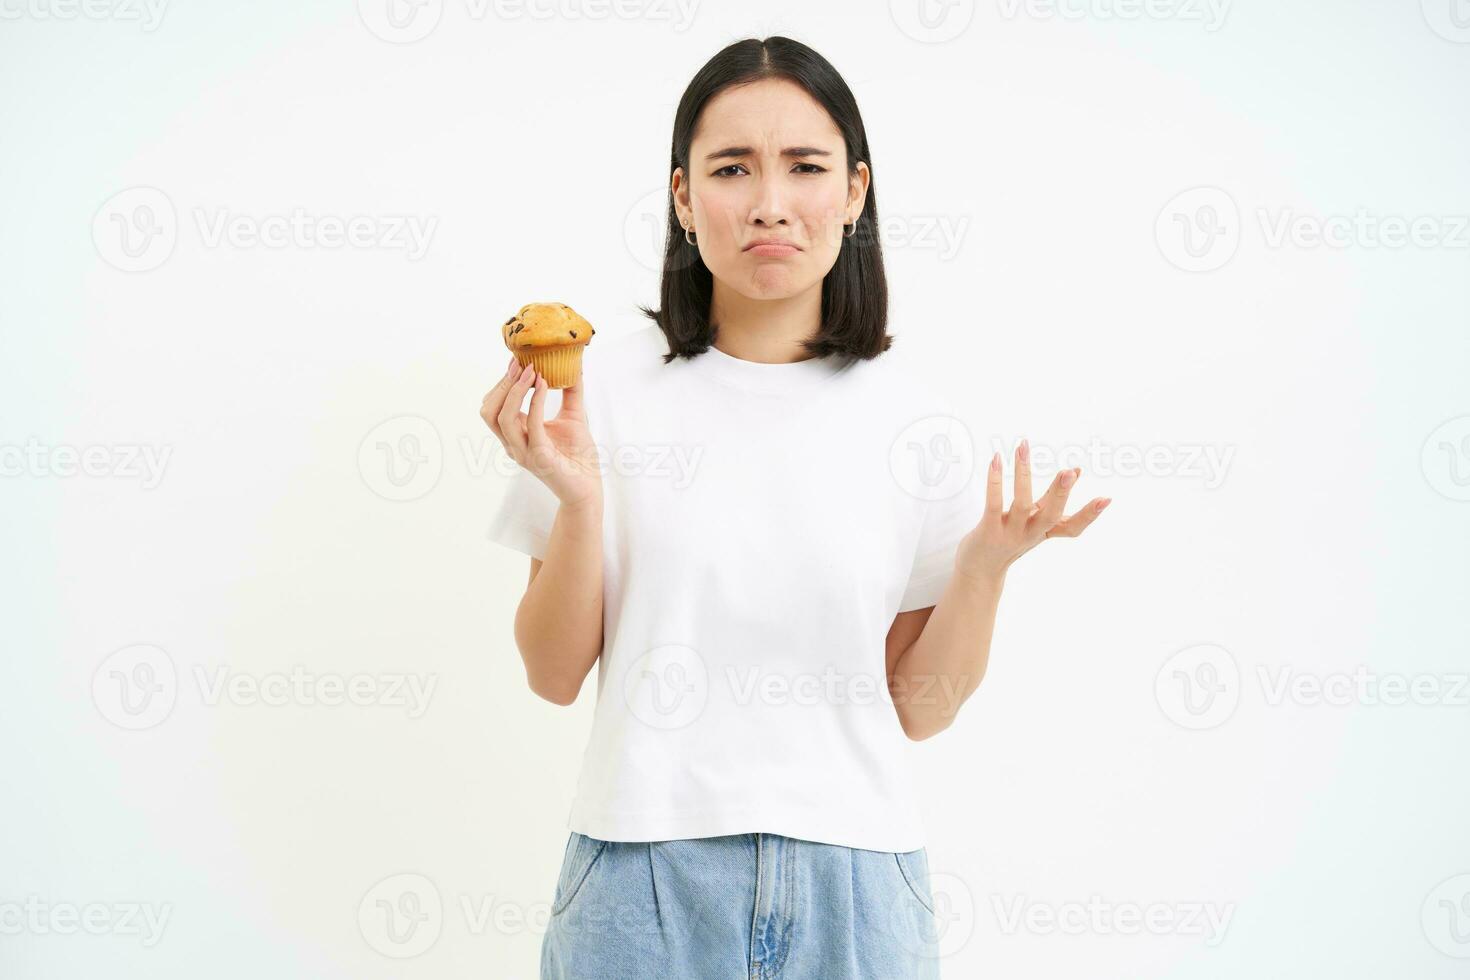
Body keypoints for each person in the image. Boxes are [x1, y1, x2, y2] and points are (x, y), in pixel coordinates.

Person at [479, 35, 1109, 980]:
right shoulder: (597, 394)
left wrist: (980, 572)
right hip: (640, 881)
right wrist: (575, 505)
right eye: (731, 168)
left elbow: (920, 711)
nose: (769, 202)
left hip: (857, 887)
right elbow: (552, 673)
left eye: (805, 167)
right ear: (684, 198)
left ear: (854, 193)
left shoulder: (916, 420)